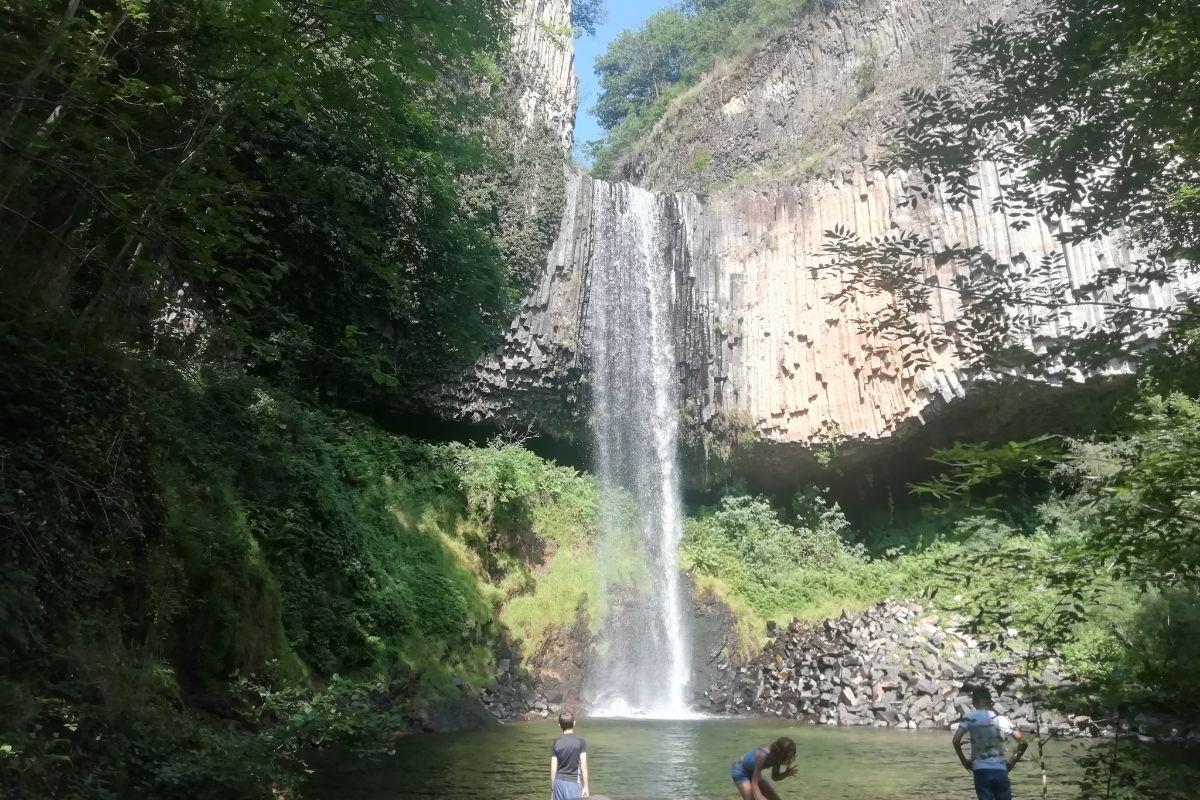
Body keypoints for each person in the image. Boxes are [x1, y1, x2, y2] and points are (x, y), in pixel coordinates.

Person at [952, 686, 1029, 800]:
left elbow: (956, 740)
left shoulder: (969, 717)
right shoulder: (1000, 719)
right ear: (990, 701)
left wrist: (964, 761)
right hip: (1000, 769)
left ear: (973, 702)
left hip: (980, 770)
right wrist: (1012, 761)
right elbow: (1024, 742)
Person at [730, 736, 797, 800]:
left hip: (753, 772)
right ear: (781, 752)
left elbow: (775, 777)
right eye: (788, 755)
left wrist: (786, 773)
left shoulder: (777, 758)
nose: (789, 758)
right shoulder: (762, 754)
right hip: (740, 772)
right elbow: (754, 784)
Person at [550, 710, 590, 799]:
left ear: (559, 725)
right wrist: (586, 786)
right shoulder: (580, 741)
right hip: (573, 782)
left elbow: (553, 768)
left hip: (558, 782)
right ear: (574, 723)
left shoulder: (556, 742)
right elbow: (583, 766)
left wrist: (553, 787)